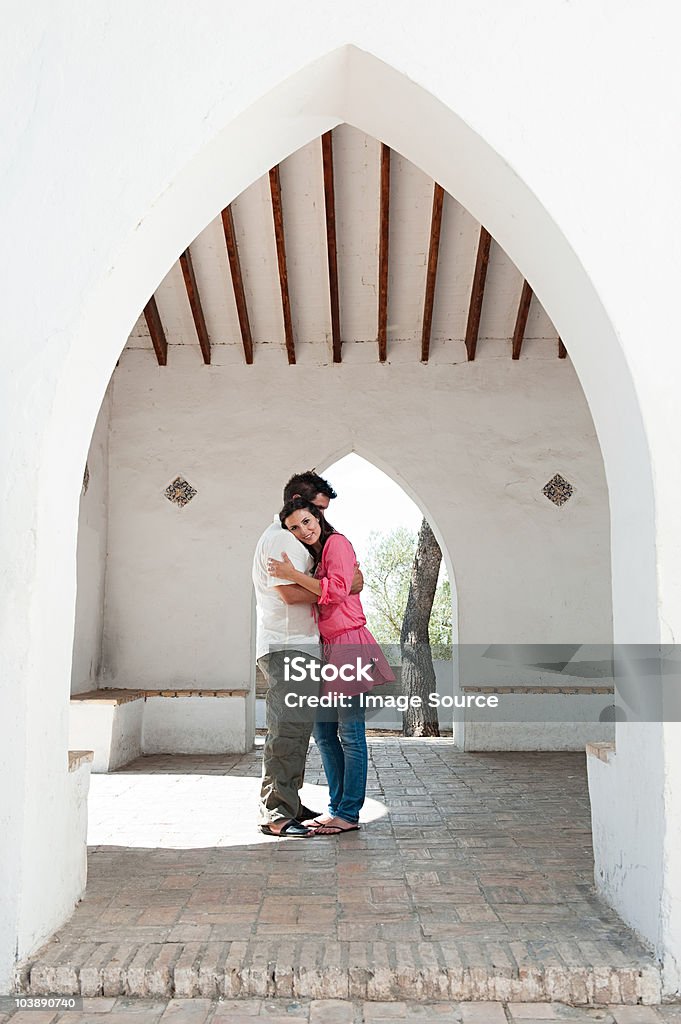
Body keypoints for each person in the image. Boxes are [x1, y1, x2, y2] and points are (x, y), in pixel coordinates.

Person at [268, 498, 395, 835]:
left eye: (307, 522)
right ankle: (336, 807)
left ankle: (349, 813)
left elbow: (338, 591)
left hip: (349, 645)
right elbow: (339, 586)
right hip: (327, 649)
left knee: (351, 734)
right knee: (324, 733)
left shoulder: (337, 543)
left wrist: (293, 575)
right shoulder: (320, 555)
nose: (303, 531)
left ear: (319, 517)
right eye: (295, 527)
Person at [252, 472, 362, 838]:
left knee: (297, 732)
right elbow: (287, 594)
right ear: (298, 500)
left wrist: (337, 585)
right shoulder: (281, 538)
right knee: (286, 732)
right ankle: (276, 814)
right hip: (288, 646)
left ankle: (289, 803)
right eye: (316, 510)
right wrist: (338, 590)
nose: (319, 521)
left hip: (303, 646)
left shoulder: (294, 538)